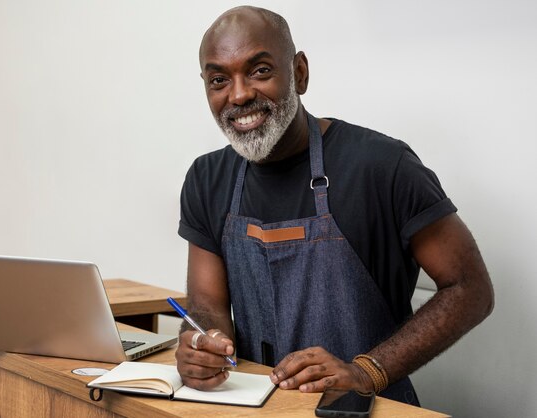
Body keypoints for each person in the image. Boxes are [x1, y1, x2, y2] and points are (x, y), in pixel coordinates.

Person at [175, 5, 494, 404]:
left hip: (366, 410)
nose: (238, 94)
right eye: (219, 79)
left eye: (259, 71)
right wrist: (201, 341)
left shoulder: (382, 166)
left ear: (300, 73)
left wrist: (367, 370)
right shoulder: (207, 179)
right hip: (257, 408)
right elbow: (207, 304)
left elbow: (470, 289)